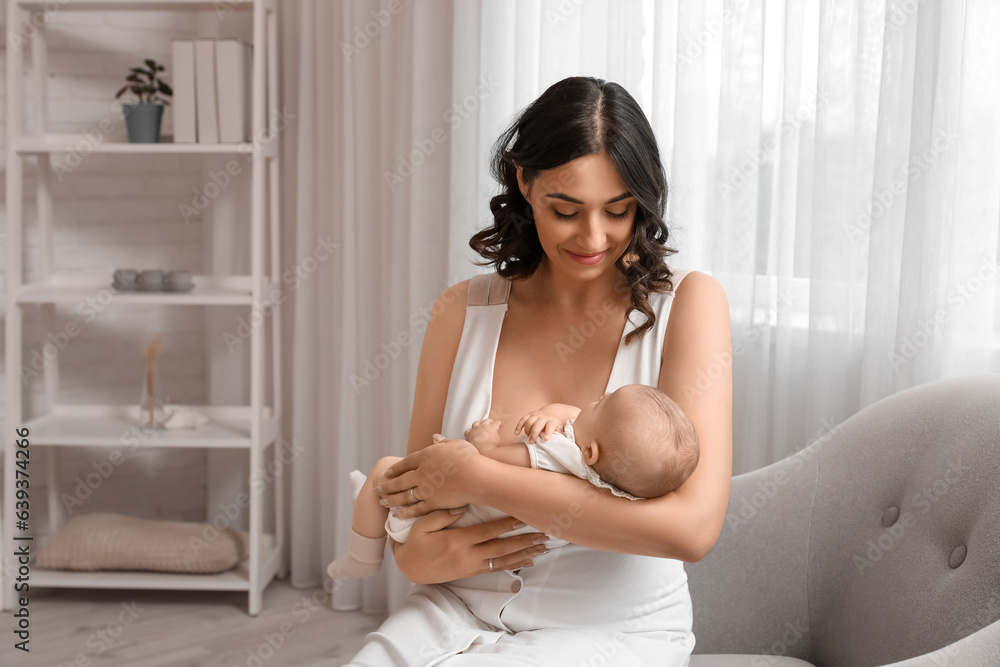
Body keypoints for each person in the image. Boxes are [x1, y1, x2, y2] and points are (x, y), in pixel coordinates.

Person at [347, 76, 732, 666]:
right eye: (566, 210)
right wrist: (416, 556)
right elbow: (419, 509)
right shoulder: (463, 310)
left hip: (613, 631)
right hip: (451, 613)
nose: (594, 236)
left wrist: (477, 478)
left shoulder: (688, 306)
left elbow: (690, 531)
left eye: (619, 210)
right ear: (524, 183)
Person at [327, 384, 700, 581]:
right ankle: (369, 509)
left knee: (386, 470)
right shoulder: (608, 478)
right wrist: (551, 413)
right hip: (461, 539)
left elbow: (491, 464)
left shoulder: (556, 455)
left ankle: (362, 556)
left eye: (602, 404)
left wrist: (481, 441)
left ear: (589, 450)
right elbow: (574, 418)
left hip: (449, 520)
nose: (596, 397)